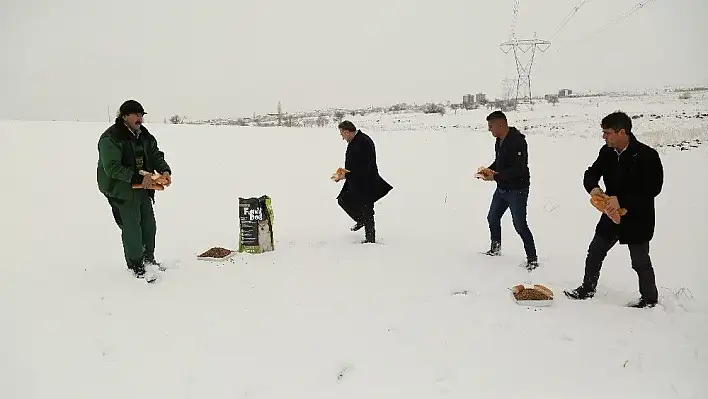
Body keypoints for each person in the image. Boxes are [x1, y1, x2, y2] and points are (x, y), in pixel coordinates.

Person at [564, 111, 663, 308]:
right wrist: (593, 188)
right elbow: (591, 173)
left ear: (622, 132)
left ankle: (650, 300)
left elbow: (653, 188)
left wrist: (623, 200)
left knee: (640, 261)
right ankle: (587, 288)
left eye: (607, 132)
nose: (604, 136)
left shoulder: (647, 156)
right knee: (595, 251)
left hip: (637, 217)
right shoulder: (606, 152)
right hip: (610, 213)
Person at [96, 100, 172, 278]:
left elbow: (155, 154)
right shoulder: (111, 138)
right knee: (132, 228)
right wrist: (139, 177)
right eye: (136, 114)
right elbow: (112, 168)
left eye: (141, 115)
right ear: (124, 116)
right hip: (120, 188)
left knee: (149, 226)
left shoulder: (143, 135)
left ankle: (148, 261)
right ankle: (136, 265)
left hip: (143, 186)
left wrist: (164, 170)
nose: (140, 118)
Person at [479, 110, 538, 270]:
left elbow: (518, 169)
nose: (489, 129)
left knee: (520, 225)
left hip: (517, 190)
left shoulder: (518, 142)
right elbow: (499, 162)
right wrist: (488, 170)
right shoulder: (499, 140)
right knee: (492, 217)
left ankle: (532, 259)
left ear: (501, 124)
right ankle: (495, 248)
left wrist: (495, 177)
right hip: (502, 189)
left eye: (491, 126)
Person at [333, 120, 392, 243]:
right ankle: (361, 220)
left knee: (367, 210)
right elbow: (354, 162)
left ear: (347, 132)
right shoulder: (355, 141)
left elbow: (364, 167)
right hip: (355, 180)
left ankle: (370, 240)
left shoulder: (364, 142)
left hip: (366, 182)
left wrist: (345, 175)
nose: (342, 138)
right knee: (343, 200)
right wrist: (343, 173)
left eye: (342, 134)